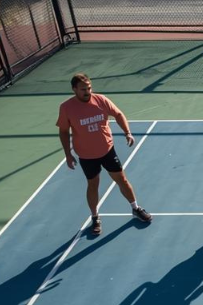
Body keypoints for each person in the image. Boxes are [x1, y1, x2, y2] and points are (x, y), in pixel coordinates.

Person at [57, 73, 152, 236]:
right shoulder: (66, 108)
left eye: (89, 88)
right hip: (87, 156)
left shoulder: (101, 100)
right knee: (93, 185)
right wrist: (68, 154)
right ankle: (95, 217)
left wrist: (127, 132)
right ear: (74, 89)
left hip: (107, 151)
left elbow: (118, 114)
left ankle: (135, 208)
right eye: (83, 89)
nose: (87, 92)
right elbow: (64, 131)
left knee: (122, 179)